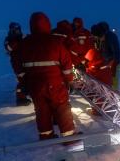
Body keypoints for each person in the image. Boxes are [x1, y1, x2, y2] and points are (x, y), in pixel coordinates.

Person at [14, 12, 78, 140]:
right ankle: (69, 138)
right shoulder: (55, 42)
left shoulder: (24, 44)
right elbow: (66, 65)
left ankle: (46, 136)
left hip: (35, 85)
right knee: (61, 109)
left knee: (42, 111)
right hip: (55, 84)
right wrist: (69, 81)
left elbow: (17, 65)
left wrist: (24, 81)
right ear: (47, 24)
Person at [4, 22, 31, 106]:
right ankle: (20, 98)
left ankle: (30, 93)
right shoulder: (8, 39)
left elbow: (30, 43)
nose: (16, 31)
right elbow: (9, 48)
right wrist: (18, 41)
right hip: (17, 63)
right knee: (22, 79)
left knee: (30, 78)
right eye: (14, 29)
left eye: (17, 29)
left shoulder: (23, 37)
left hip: (26, 61)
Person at [91, 21, 120, 89]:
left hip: (113, 62)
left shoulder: (111, 37)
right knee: (105, 79)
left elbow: (116, 53)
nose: (98, 39)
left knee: (112, 80)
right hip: (105, 62)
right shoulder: (101, 37)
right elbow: (101, 49)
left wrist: (111, 65)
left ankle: (113, 93)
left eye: (99, 37)